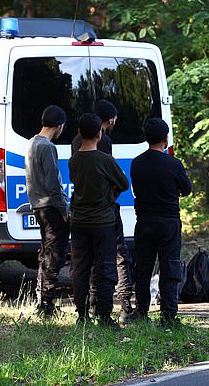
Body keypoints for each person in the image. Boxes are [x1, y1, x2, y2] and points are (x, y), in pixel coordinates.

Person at [71, 99, 136, 323]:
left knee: (80, 267)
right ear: (99, 133)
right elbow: (123, 183)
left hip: (79, 219)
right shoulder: (105, 159)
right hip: (103, 220)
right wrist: (110, 195)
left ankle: (81, 314)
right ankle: (104, 315)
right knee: (106, 266)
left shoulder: (74, 160)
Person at [130, 118, 192, 326]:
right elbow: (187, 189)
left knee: (143, 267)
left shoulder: (137, 163)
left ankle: (141, 311)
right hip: (168, 222)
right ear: (166, 138)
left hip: (144, 220)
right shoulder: (173, 164)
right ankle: (168, 314)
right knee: (169, 266)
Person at [24, 105, 70, 317]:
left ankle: (41, 300)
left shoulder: (32, 143)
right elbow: (53, 183)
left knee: (45, 253)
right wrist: (63, 209)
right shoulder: (48, 147)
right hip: (51, 207)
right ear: (59, 126)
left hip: (37, 206)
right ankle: (47, 305)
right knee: (54, 256)